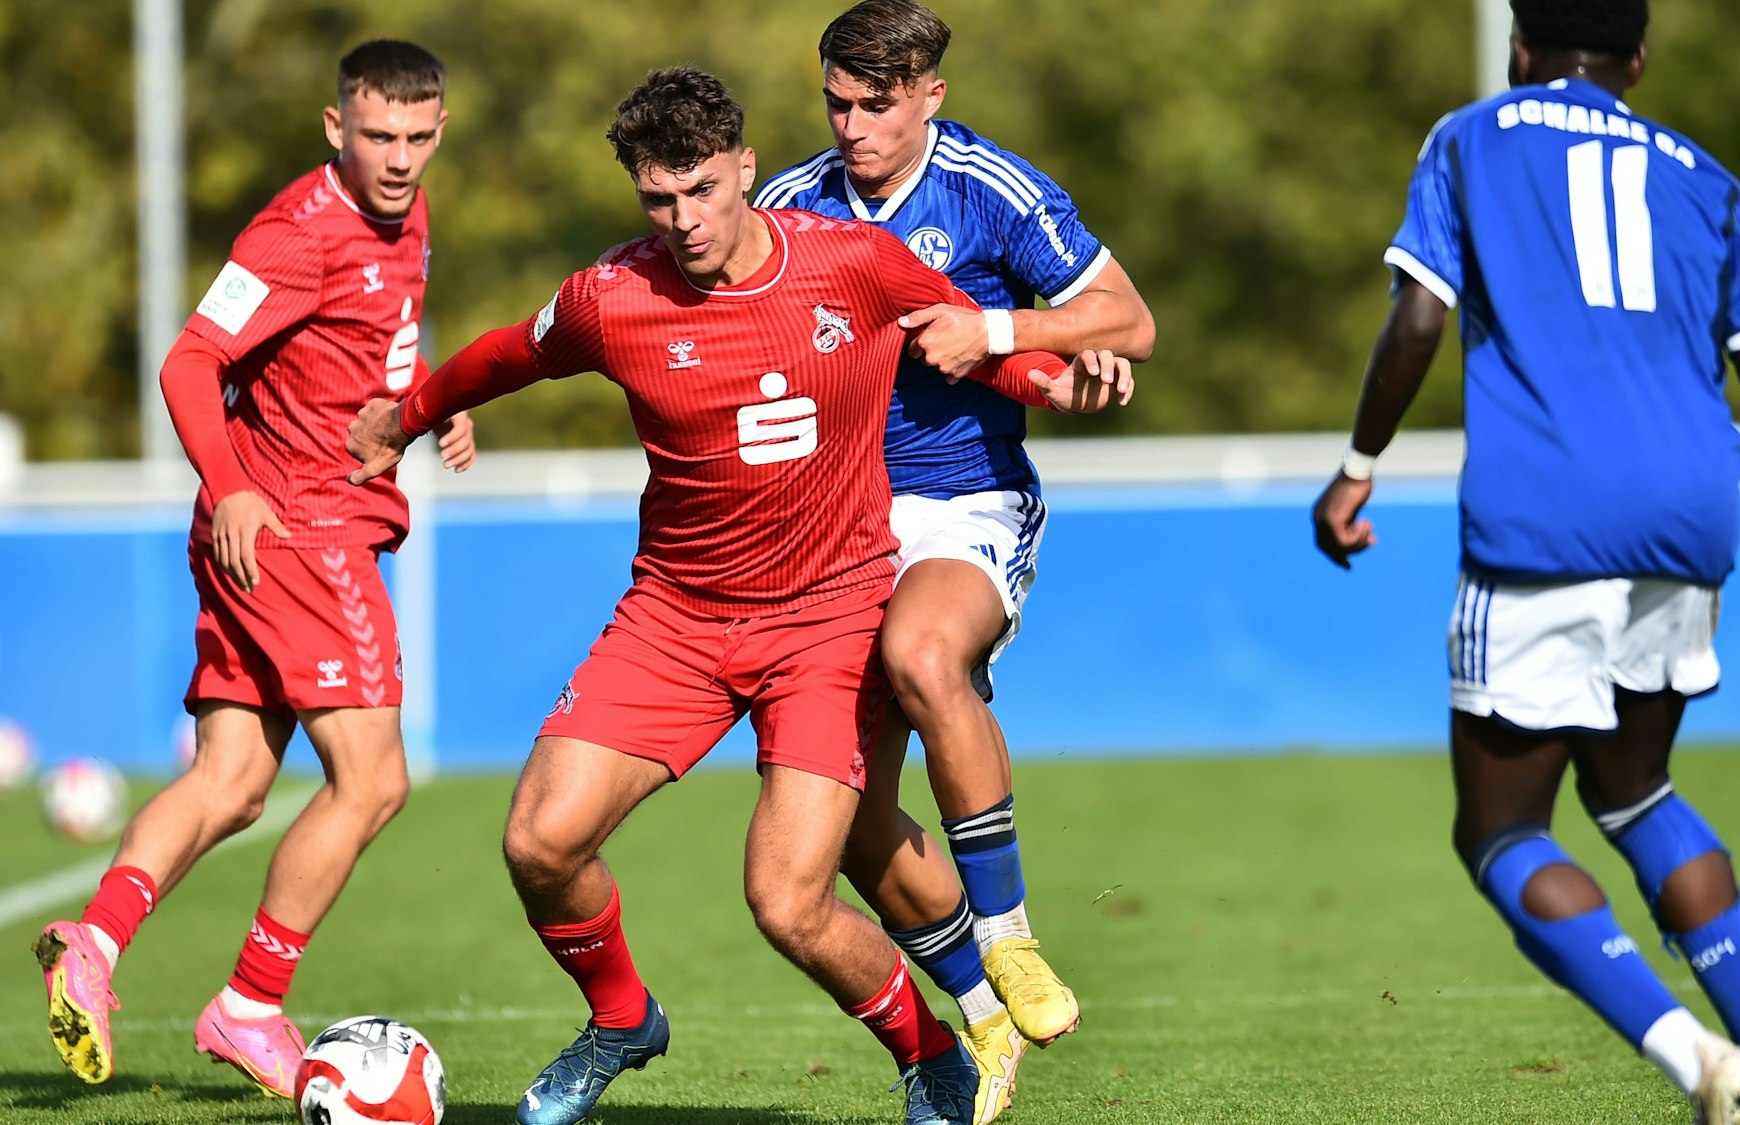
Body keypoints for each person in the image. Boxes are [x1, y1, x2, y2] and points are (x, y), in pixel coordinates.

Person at [345, 67, 1128, 1125]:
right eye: (657, 201)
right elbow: (503, 356)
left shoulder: (851, 263)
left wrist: (1056, 372)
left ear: (746, 171)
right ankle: (621, 1017)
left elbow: (959, 343)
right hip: (674, 617)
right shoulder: (610, 299)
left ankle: (929, 1053)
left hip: (827, 620)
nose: (682, 222)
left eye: (702, 191)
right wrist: (409, 413)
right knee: (537, 843)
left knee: (787, 900)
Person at [1311, 3, 1740, 1123]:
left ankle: (1703, 1067)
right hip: (1688, 518)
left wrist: (1357, 462)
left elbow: (1419, 319)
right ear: (1637, 61)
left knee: (1503, 831)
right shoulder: (1711, 181)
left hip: (1544, 515)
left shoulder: (1468, 135)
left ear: (1521, 48)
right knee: (1635, 793)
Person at [32, 40, 473, 1098]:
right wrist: (233, 483)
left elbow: (377, 343)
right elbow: (189, 360)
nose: (399, 157)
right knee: (374, 782)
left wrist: (430, 406)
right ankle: (250, 1002)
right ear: (336, 129)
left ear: (438, 131)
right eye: (377, 136)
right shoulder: (298, 231)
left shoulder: (405, 213)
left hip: (279, 527)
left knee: (230, 782)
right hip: (296, 531)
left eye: (417, 137)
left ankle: (94, 946)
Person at [754, 5, 1156, 1110]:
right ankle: (983, 1015)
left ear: (929, 94)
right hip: (831, 530)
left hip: (963, 505)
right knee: (843, 825)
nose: (852, 127)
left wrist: (1004, 332)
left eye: (875, 105)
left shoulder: (992, 190)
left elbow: (1127, 321)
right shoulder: (788, 207)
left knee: (922, 656)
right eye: (835, 103)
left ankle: (1012, 937)